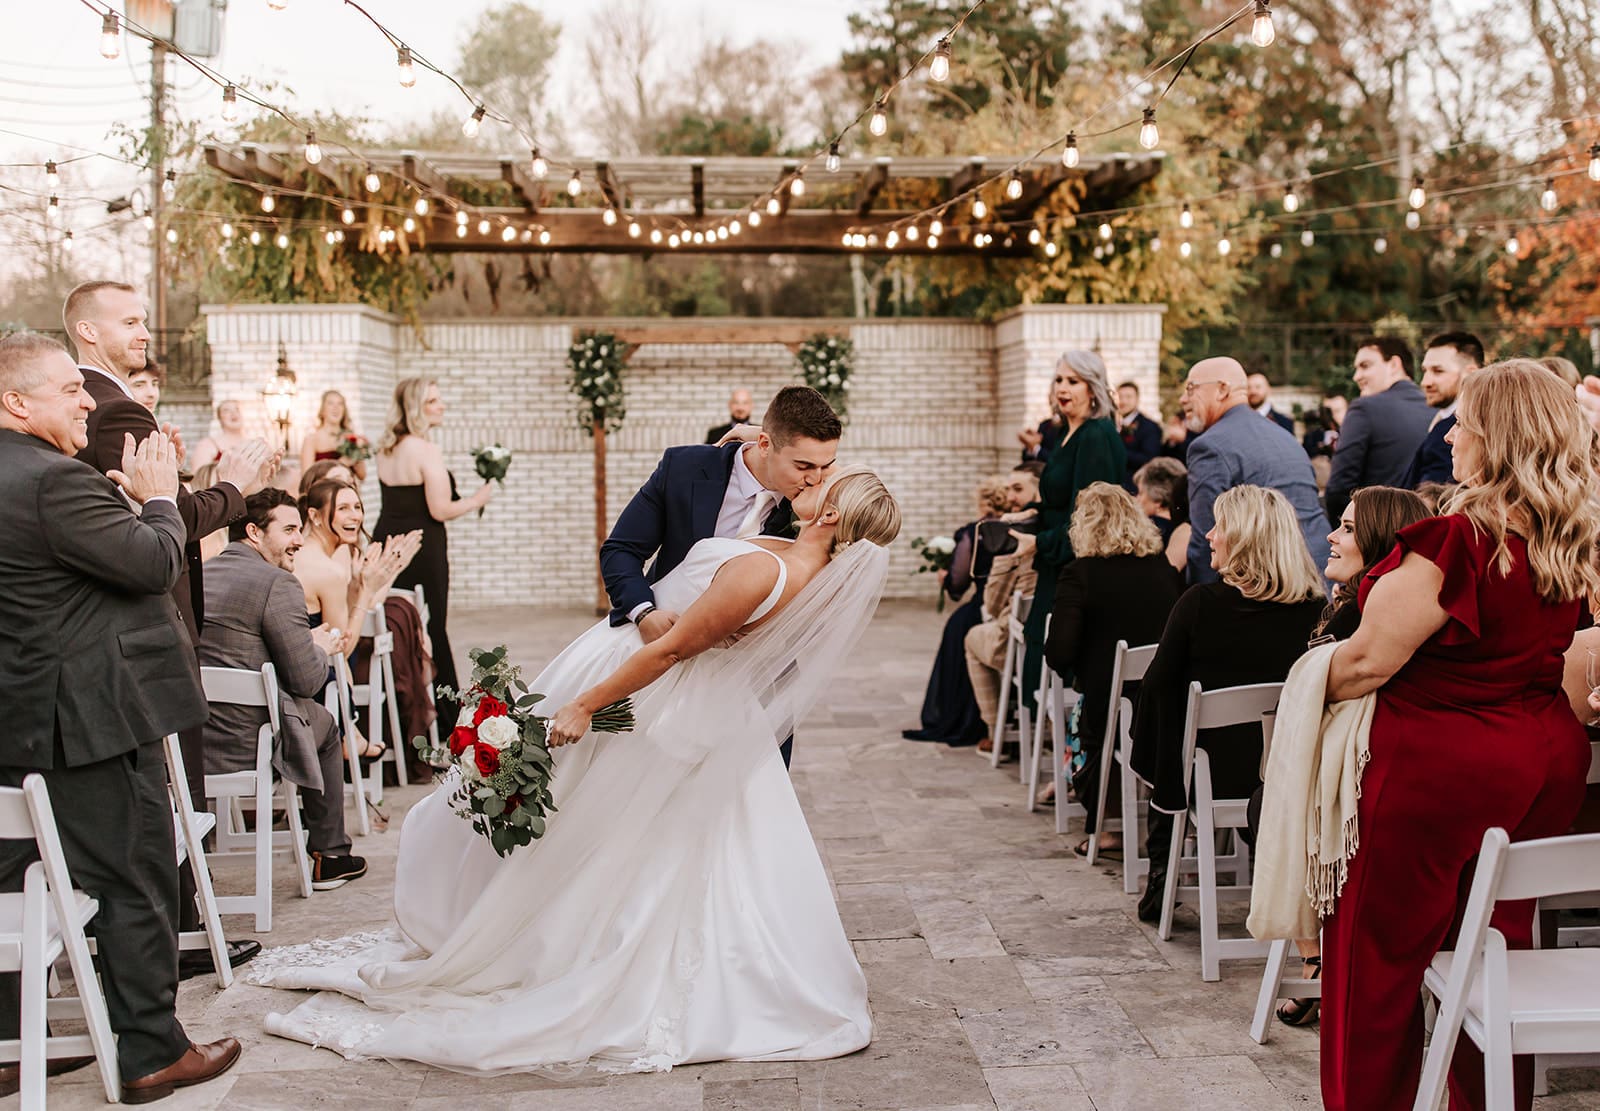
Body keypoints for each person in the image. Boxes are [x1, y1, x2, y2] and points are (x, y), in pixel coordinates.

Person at [250, 469, 903, 1074]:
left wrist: (588, 703)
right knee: (689, 853)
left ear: (837, 511)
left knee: (617, 839)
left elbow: (673, 649)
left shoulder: (768, 570)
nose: (815, 478)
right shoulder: (807, 566)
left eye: (828, 479)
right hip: (715, 716)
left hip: (661, 706)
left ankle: (586, 953)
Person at [1318, 361, 1600, 1111]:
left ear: (1498, 437)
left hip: (1436, 772)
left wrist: (1305, 693)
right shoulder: (1570, 536)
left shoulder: (1457, 539)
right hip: (1540, 763)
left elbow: (1368, 660)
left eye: (1466, 421)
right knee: (1495, 946)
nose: (1453, 434)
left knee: (1374, 967)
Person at [0, 332, 242, 1101]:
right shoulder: (51, 481)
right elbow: (150, 562)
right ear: (16, 401)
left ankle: (11, 1046)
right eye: (70, 389)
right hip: (89, 724)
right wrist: (160, 499)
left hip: (21, 719)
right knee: (136, 877)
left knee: (8, 881)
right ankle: (149, 1051)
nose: (85, 401)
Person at [65, 279, 269, 978]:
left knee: (174, 783)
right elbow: (170, 517)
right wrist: (235, 485)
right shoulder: (114, 409)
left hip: (129, 625)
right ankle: (179, 938)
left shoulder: (109, 406)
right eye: (130, 321)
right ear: (88, 332)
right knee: (177, 783)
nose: (145, 331)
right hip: (150, 626)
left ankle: (183, 925)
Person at [1255, 485, 1430, 1029]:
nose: (1331, 535)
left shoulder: (1367, 614)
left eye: (1349, 528)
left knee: (1267, 804)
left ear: (1380, 541)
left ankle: (1316, 961)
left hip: (1363, 785)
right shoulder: (1346, 605)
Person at [601, 386, 841, 767]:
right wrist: (644, 613)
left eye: (825, 466)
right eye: (803, 466)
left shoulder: (823, 502)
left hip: (759, 679)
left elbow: (873, 501)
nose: (816, 480)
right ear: (766, 445)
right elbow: (621, 550)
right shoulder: (684, 467)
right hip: (666, 658)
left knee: (756, 800)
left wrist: (764, 441)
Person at [1129, 484, 1327, 923]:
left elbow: (1157, 686)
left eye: (1219, 526)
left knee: (1162, 717)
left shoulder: (1199, 604)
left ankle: (1161, 872)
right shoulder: (1315, 610)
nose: (1209, 535)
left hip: (1212, 776)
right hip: (1288, 770)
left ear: (1243, 539)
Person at [199, 488, 370, 892]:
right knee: (326, 724)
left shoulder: (201, 574)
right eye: (290, 529)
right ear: (254, 532)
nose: (299, 539)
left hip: (193, 739)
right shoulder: (277, 583)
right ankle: (330, 856)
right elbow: (306, 681)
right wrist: (318, 646)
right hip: (250, 740)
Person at [1043, 483, 1181, 848]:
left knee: (1083, 716)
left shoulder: (1080, 573)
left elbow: (1058, 652)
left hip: (1108, 711)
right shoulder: (1163, 570)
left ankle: (1107, 827)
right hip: (1162, 706)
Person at [373, 377, 494, 734]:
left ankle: (400, 715)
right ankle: (448, 721)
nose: (442, 406)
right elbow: (439, 509)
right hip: (423, 549)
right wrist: (476, 499)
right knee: (432, 628)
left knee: (396, 628)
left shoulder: (387, 448)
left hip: (389, 542)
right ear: (416, 408)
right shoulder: (424, 450)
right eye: (433, 401)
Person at [1017, 351, 1126, 707]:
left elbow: (1089, 518)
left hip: (1075, 567)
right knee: (1037, 644)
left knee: (1053, 650)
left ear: (1092, 389)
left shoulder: (1096, 435)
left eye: (1073, 381)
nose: (1063, 388)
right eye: (1059, 379)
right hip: (1054, 560)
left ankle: (1063, 745)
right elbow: (1059, 500)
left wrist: (1038, 542)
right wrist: (1027, 515)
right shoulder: (1065, 431)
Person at [1179, 357, 1331, 585]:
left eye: (1191, 389)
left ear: (1222, 389)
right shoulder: (1283, 436)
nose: (1183, 399)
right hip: (1319, 570)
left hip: (1271, 585)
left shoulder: (1210, 446)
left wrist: (1199, 604)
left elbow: (1205, 539)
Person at [902, 476, 1008, 745]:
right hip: (1010, 612)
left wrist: (945, 578)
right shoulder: (1020, 529)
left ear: (983, 502)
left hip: (983, 609)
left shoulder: (974, 532)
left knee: (957, 627)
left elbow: (958, 580)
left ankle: (960, 718)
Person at [295, 478, 419, 660]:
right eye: (343, 508)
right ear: (314, 516)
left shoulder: (301, 552)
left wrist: (356, 585)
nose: (355, 516)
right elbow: (341, 653)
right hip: (322, 676)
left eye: (357, 507)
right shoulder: (328, 572)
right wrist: (367, 589)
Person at [964, 470, 1041, 753]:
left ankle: (995, 730)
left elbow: (993, 605)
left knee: (971, 636)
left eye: (1017, 489)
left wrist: (1003, 554)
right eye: (1008, 490)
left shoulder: (1023, 543)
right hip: (1052, 645)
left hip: (1017, 645)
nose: (1010, 498)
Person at [1325, 337, 1431, 519]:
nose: (1356, 376)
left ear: (1394, 364)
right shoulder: (1438, 411)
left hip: (1376, 531)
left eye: (1365, 366)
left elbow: (1338, 490)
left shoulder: (1364, 408)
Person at [1400, 332, 1484, 488]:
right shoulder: (1440, 420)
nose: (1426, 382)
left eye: (1438, 371)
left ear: (1471, 373)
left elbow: (1432, 496)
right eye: (1425, 371)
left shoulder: (1457, 429)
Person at [1132, 456, 1189, 572]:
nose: (1136, 499)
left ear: (1158, 499)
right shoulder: (1189, 530)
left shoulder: (1143, 532)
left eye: (1141, 493)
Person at [298, 389, 367, 481]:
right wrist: (343, 463)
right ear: (322, 410)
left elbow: (362, 476)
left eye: (340, 404)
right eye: (330, 403)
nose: (336, 408)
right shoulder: (312, 439)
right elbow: (307, 479)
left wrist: (358, 456)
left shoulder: (351, 438)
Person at [1114, 381, 1162, 491]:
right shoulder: (1111, 424)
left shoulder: (1149, 427)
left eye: (1128, 397)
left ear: (1137, 399)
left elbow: (1149, 459)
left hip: (1135, 487)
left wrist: (1117, 452)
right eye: (1120, 397)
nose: (1123, 401)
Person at [191, 399, 250, 470]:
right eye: (226, 410)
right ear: (220, 419)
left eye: (237, 409)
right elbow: (198, 478)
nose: (233, 413)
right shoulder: (207, 445)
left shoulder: (255, 444)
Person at [1017, 384, 1065, 464]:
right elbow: (1026, 458)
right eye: (1052, 394)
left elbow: (1059, 462)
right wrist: (1029, 445)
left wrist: (1035, 447)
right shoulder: (1044, 425)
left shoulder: (1070, 427)